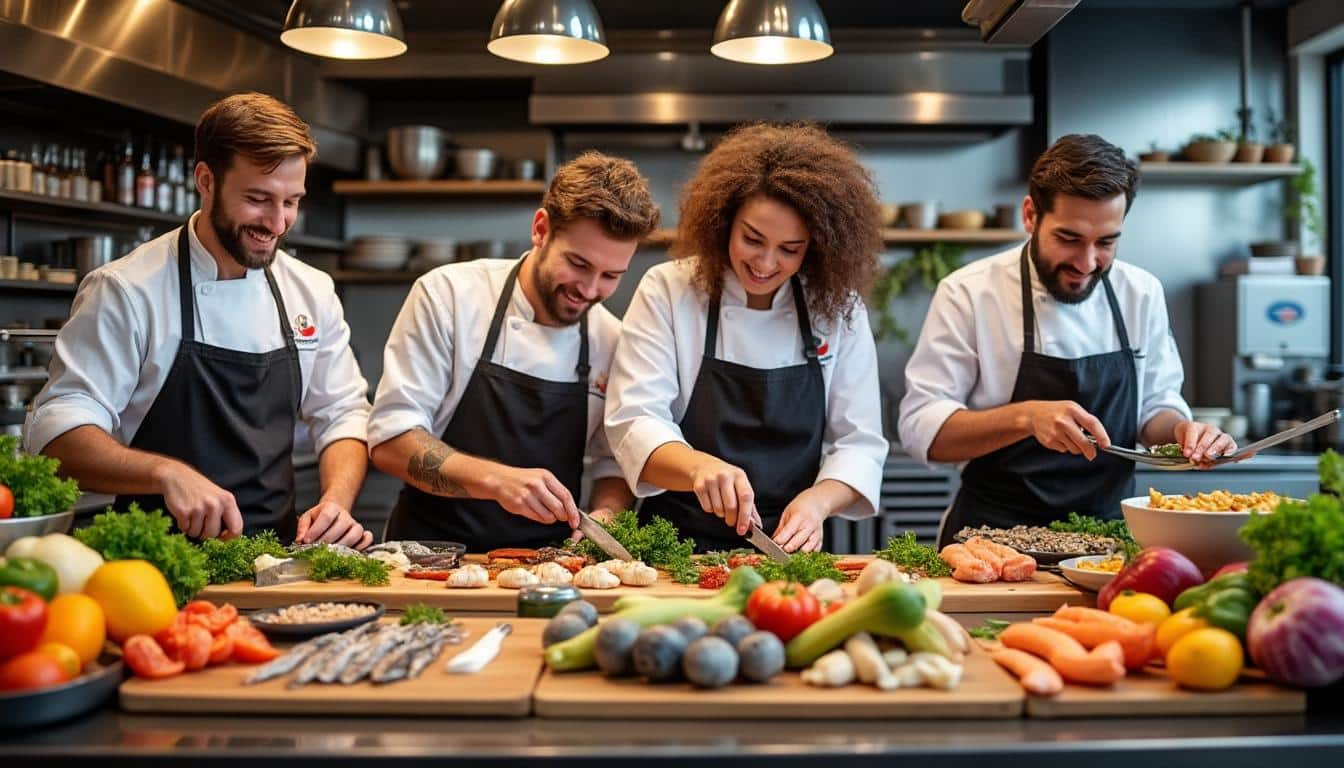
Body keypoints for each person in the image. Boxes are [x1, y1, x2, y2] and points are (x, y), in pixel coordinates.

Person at [27, 93, 373, 547]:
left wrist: (336, 501)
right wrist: (164, 472)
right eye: (257, 199)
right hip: (155, 564)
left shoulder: (309, 289)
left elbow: (341, 413)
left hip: (277, 562)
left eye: (291, 201)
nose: (277, 223)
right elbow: (57, 434)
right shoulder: (128, 289)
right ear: (206, 181)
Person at [898, 133, 1237, 547]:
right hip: (989, 540)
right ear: (1030, 215)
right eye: (1069, 239)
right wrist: (1026, 417)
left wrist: (1185, 433)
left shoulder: (1141, 292)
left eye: (1106, 242)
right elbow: (921, 430)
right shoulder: (970, 292)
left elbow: (1154, 410)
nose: (1087, 263)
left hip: (1110, 540)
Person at [604, 123, 889, 553]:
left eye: (790, 249)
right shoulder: (670, 289)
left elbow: (859, 442)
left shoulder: (837, 310)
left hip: (790, 549)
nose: (765, 262)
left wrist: (818, 502)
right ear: (724, 222)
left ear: (816, 246)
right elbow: (635, 419)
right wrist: (697, 467)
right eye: (752, 239)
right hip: (676, 550)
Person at [368, 152, 660, 550]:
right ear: (541, 229)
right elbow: (390, 441)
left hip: (550, 567)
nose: (590, 291)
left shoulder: (612, 339)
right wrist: (497, 481)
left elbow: (615, 463)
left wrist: (607, 515)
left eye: (611, 276)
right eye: (577, 263)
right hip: (428, 560)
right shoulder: (449, 296)